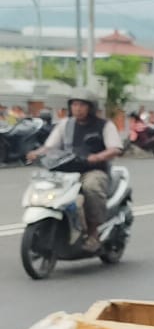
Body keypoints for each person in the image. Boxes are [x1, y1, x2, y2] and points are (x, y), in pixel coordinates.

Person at [28, 88, 121, 253]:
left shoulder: (104, 125)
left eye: (82, 105)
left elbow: (115, 148)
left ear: (91, 107)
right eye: (75, 104)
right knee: (45, 185)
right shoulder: (65, 124)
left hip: (92, 170)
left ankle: (93, 233)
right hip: (66, 170)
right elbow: (50, 146)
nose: (77, 108)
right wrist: (36, 153)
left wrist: (97, 157)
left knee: (91, 187)